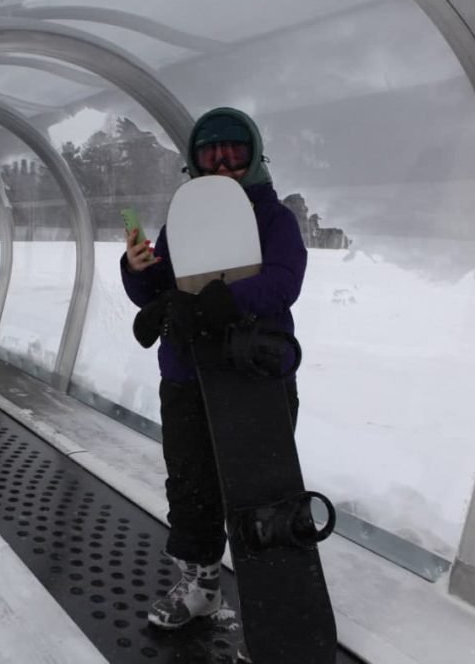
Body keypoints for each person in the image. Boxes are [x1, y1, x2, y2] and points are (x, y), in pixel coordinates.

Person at [120, 107, 307, 634]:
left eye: (235, 152)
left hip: (253, 375)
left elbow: (282, 281)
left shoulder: (274, 219)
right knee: (191, 486)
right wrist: (136, 272)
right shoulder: (183, 219)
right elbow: (158, 291)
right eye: (210, 154)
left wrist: (210, 305)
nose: (223, 163)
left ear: (255, 157)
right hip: (187, 375)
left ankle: (269, 607)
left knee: (259, 491)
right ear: (194, 163)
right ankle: (200, 585)